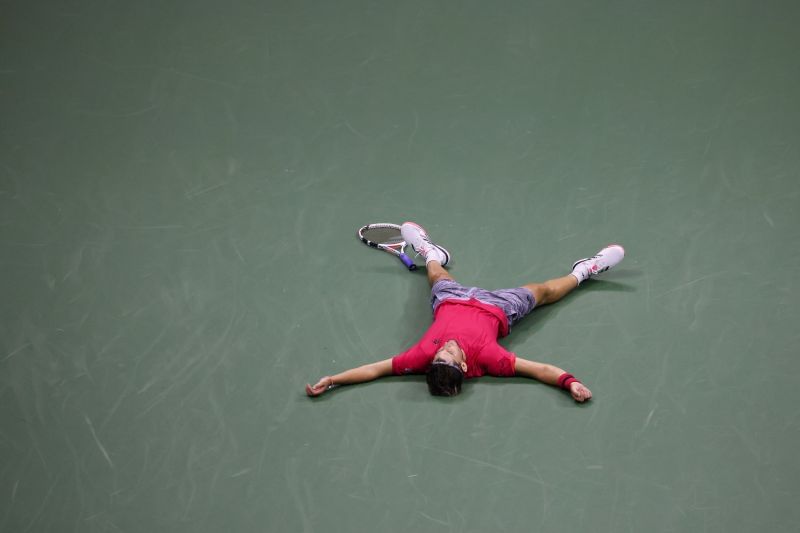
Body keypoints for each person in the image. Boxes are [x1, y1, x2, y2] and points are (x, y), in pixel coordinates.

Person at [306, 222, 625, 402]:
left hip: (450, 298)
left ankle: (431, 252)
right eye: (447, 356)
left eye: (438, 357)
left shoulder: (421, 358)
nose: (442, 350)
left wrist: (333, 379)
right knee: (542, 291)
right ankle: (586, 270)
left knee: (436, 276)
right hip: (499, 307)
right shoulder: (490, 360)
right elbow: (540, 370)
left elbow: (374, 370)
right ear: (463, 363)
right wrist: (570, 383)